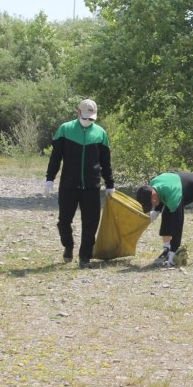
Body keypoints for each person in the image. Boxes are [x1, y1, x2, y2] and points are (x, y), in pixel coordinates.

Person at [45, 99, 115, 269]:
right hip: (69, 184)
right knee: (64, 221)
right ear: (78, 112)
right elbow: (56, 157)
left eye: (92, 118)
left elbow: (106, 162)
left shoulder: (101, 133)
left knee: (91, 222)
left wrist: (110, 183)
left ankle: (85, 257)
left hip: (92, 185)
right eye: (86, 117)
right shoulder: (65, 129)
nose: (89, 120)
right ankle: (68, 245)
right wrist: (50, 178)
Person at [136, 171, 193, 266]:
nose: (150, 207)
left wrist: (174, 252)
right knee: (166, 216)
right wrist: (156, 210)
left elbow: (178, 224)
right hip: (179, 188)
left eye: (150, 204)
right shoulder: (153, 185)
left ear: (154, 196)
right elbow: (160, 195)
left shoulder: (172, 194)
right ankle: (166, 250)